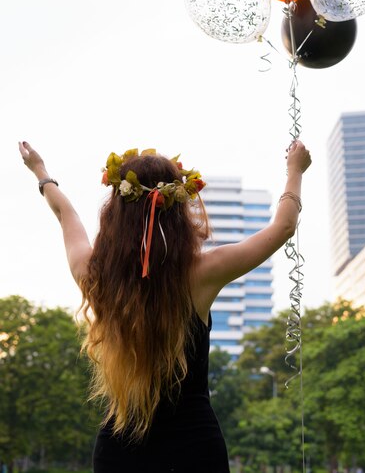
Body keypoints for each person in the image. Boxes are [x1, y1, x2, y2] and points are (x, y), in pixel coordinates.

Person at [18, 139, 311, 473]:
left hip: (119, 451)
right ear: (177, 210)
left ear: (115, 209)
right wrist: (294, 170)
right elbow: (284, 227)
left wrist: (40, 171)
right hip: (195, 449)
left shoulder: (93, 273)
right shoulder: (201, 273)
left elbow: (64, 213)